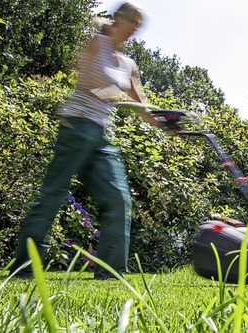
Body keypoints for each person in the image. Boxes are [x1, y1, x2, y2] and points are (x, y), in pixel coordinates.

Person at [9, 1, 165, 280]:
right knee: (53, 194)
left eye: (139, 26)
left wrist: (166, 123)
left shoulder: (129, 63)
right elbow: (89, 82)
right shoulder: (96, 43)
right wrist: (118, 99)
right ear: (118, 18)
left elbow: (140, 105)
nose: (134, 29)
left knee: (118, 199)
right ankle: (25, 265)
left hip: (102, 135)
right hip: (77, 125)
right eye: (132, 22)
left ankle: (110, 272)